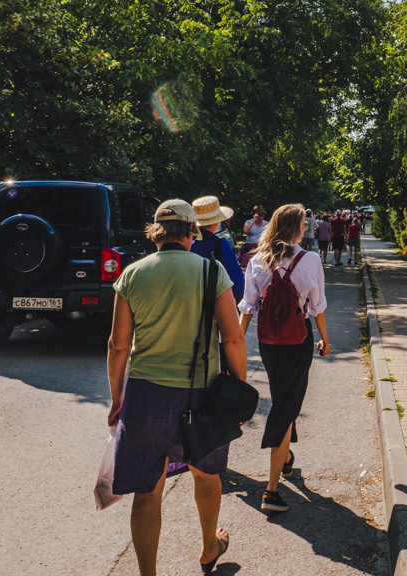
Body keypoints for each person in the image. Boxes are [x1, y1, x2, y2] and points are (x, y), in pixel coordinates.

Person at [107, 199, 249, 575]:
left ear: (156, 233)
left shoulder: (133, 275)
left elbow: (119, 346)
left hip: (145, 395)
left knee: (148, 489)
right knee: (206, 474)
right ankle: (208, 548)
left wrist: (116, 397)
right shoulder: (211, 272)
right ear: (192, 232)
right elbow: (233, 339)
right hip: (200, 395)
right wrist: (239, 395)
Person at [239, 204, 330, 513]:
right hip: (298, 340)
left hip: (268, 342)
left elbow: (248, 308)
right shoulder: (310, 260)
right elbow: (317, 306)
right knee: (285, 407)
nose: (306, 228)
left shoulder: (257, 261)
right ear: (296, 228)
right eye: (303, 224)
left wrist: (238, 344)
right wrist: (325, 340)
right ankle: (272, 490)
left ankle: (287, 458)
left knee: (283, 398)